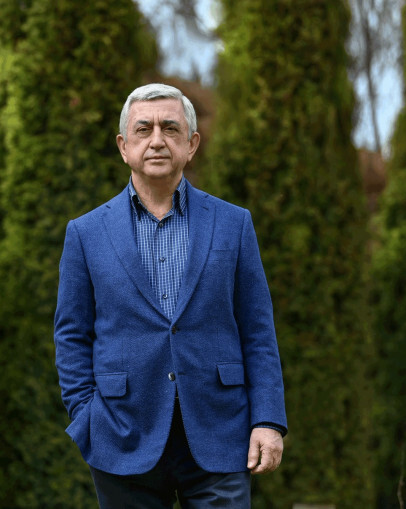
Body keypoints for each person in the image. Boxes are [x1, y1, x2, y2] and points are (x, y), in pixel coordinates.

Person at [54, 83, 286, 508]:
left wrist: (268, 420)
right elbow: (71, 334)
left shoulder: (234, 224)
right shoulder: (85, 233)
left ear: (191, 144)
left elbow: (258, 330)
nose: (157, 140)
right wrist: (86, 416)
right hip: (123, 435)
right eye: (144, 129)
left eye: (170, 128)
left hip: (221, 430)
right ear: (124, 147)